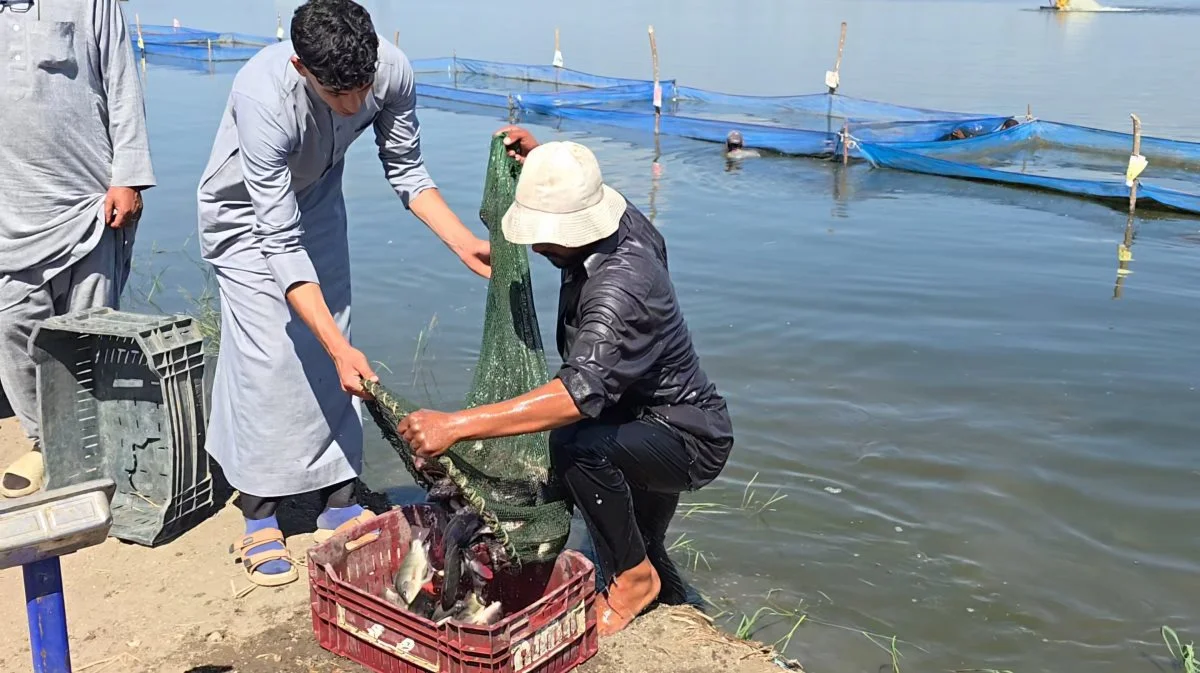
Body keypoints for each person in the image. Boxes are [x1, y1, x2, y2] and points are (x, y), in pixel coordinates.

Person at [196, 0, 490, 587]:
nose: (356, 104)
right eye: (340, 94)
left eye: (364, 87)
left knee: (340, 339)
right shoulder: (263, 95)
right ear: (303, 68)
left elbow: (407, 168)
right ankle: (259, 513)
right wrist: (331, 345)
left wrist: (462, 242)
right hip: (247, 217)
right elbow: (276, 237)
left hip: (320, 205)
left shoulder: (393, 72)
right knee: (269, 355)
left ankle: (337, 497)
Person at [399, 127, 735, 636]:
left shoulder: (619, 288)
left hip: (684, 435)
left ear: (575, 228)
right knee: (644, 545)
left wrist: (455, 425)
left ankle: (633, 583)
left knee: (575, 446)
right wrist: (546, 166)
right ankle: (664, 593)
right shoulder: (622, 223)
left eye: (541, 229)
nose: (532, 242)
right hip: (636, 420)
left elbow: (577, 395)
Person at [0, 0, 155, 498]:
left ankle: (92, 447)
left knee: (88, 332)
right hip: (8, 206)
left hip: (87, 199)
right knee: (12, 328)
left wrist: (128, 177)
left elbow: (122, 83)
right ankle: (46, 443)